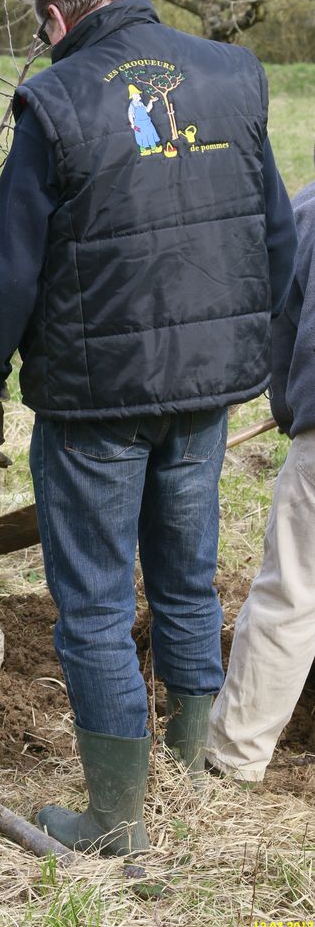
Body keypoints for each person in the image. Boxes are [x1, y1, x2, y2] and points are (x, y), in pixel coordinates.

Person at [0, 0, 297, 855]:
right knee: (187, 583)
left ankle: (118, 817)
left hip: (94, 401)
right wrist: (251, 354)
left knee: (97, 605)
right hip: (204, 393)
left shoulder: (56, 98)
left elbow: (13, 264)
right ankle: (185, 778)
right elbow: (274, 230)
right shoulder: (234, 74)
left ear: (57, 16)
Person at [206, 182, 315, 784]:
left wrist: (291, 407)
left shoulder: (307, 210)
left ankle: (235, 756)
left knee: (292, 596)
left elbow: (280, 321)